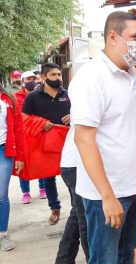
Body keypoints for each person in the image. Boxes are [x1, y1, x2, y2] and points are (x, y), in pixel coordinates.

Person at [69, 11, 136, 263]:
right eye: (134, 36)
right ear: (113, 37)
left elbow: (133, 126)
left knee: (126, 253)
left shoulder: (133, 74)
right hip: (104, 194)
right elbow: (83, 139)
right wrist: (107, 196)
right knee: (105, 259)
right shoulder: (92, 77)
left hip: (133, 187)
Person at [21, 63, 70, 225]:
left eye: (59, 74)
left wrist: (74, 115)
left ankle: (77, 208)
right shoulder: (33, 97)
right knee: (48, 177)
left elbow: (83, 112)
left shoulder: (68, 95)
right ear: (43, 78)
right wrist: (40, 123)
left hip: (67, 141)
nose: (57, 78)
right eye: (53, 75)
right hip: (45, 143)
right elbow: (23, 119)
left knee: (72, 175)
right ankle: (55, 208)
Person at [55, 127, 89, 263]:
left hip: (76, 163)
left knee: (79, 215)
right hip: (78, 163)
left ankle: (64, 260)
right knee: (86, 220)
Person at [14, 71, 47, 204]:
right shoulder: (16, 97)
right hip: (23, 136)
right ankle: (26, 192)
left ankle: (43, 188)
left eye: (34, 78)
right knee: (23, 164)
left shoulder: (40, 96)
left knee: (41, 162)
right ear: (22, 81)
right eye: (28, 79)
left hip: (38, 133)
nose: (32, 81)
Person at [0, 85, 25, 251]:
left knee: (1, 195)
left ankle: (3, 233)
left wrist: (21, 156)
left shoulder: (8, 99)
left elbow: (18, 129)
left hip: (3, 151)